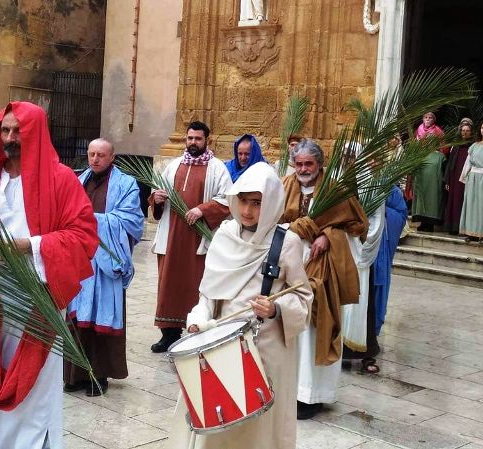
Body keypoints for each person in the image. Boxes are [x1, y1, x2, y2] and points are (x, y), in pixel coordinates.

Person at [0, 101, 99, 449]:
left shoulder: (61, 179)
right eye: (5, 130)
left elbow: (85, 235)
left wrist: (29, 246)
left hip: (36, 299)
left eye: (18, 131)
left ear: (35, 133)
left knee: (34, 384)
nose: (11, 138)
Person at [165, 163, 313, 449]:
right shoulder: (224, 235)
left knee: (258, 431)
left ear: (271, 203)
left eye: (257, 203)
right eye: (243, 201)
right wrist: (197, 321)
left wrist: (275, 308)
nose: (247, 211)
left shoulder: (287, 242)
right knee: (215, 423)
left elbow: (303, 298)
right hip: (219, 347)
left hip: (266, 349)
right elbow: (207, 295)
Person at [278, 139, 368, 420]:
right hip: (289, 266)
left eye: (309, 164)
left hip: (322, 270)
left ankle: (312, 395)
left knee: (315, 327)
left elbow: (357, 227)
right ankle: (287, 391)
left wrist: (328, 236)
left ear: (320, 164)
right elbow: (269, 220)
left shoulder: (336, 191)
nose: (303, 169)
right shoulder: (283, 186)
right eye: (299, 163)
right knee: (290, 327)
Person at [64, 138, 144, 397]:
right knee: (77, 318)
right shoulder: (77, 181)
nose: (95, 159)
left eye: (101, 155)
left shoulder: (126, 184)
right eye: (91, 154)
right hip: (81, 259)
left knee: (102, 319)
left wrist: (93, 220)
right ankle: (74, 375)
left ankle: (98, 376)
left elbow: (132, 220)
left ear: (112, 158)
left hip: (108, 261)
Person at [149, 121, 233, 353]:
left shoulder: (217, 168)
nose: (193, 143)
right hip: (172, 236)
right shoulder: (174, 165)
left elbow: (227, 199)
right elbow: (156, 191)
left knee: (196, 286)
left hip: (199, 239)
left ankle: (196, 332)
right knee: (169, 285)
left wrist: (203, 210)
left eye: (197, 139)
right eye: (190, 138)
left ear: (207, 140)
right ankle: (169, 334)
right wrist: (156, 199)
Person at [344, 184, 408, 374]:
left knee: (369, 297)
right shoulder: (344, 182)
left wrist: (379, 211)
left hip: (376, 245)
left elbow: (401, 213)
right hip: (347, 246)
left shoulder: (388, 187)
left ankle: (369, 344)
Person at [411, 111, 447, 232]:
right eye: (426, 117)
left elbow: (445, 146)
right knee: (421, 197)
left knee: (432, 196)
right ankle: (421, 221)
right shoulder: (418, 130)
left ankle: (430, 223)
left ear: (434, 119)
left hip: (434, 164)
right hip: (421, 164)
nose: (428, 119)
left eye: (430, 117)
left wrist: (439, 153)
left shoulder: (438, 131)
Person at [443, 118, 474, 235]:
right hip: (454, 179)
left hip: (468, 178)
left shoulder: (473, 146)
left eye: (467, 130)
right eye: (463, 130)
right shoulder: (455, 146)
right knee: (454, 201)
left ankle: (465, 228)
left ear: (471, 132)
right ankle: (453, 227)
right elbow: (450, 163)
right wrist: (447, 181)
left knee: (465, 202)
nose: (465, 133)